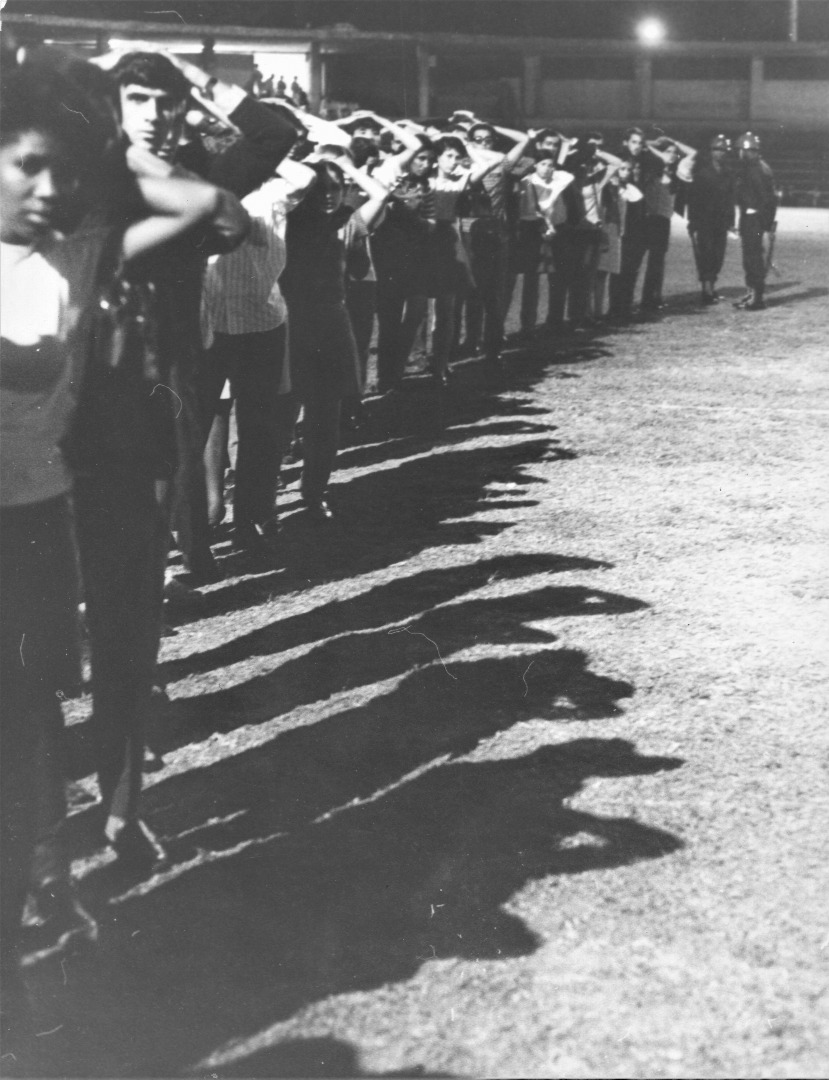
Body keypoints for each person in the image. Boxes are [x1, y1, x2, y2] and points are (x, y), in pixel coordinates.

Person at [0, 52, 225, 1023]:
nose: (48, 190)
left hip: (60, 497)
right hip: (42, 500)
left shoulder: (83, 245)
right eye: (26, 167)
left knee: (43, 706)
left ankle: (54, 878)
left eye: (65, 170)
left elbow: (208, 204)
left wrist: (113, 149)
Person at [75, 46, 295, 873]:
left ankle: (120, 809)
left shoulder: (195, 169)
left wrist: (204, 109)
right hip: (62, 409)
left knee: (134, 611)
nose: (157, 114)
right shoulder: (85, 176)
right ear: (113, 105)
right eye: (140, 99)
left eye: (167, 101)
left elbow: (269, 139)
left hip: (154, 405)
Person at [199, 122, 316, 553]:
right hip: (208, 327)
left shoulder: (273, 196)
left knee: (259, 428)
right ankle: (204, 520)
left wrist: (265, 155)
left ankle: (253, 515)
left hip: (262, 324)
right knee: (202, 425)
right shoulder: (202, 195)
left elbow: (305, 177)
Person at [280, 157, 389, 520]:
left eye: (336, 187)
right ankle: (263, 498)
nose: (328, 195)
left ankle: (314, 491)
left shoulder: (349, 221)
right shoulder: (288, 220)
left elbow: (381, 194)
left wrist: (348, 164)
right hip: (290, 322)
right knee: (283, 411)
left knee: (326, 414)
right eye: (320, 187)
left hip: (331, 322)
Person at [685, 134, 735, 305]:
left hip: (721, 221)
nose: (719, 153)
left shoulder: (728, 173)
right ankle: (707, 290)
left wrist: (731, 222)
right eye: (716, 149)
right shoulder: (702, 173)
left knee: (717, 256)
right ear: (711, 151)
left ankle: (711, 287)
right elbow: (693, 199)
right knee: (706, 255)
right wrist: (692, 222)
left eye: (722, 150)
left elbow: (730, 199)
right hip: (704, 221)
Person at [733, 131, 777, 311]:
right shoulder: (757, 167)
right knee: (750, 257)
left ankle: (756, 298)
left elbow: (768, 199)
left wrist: (763, 222)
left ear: (746, 151)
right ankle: (752, 294)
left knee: (753, 258)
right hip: (751, 218)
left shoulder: (756, 169)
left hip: (754, 219)